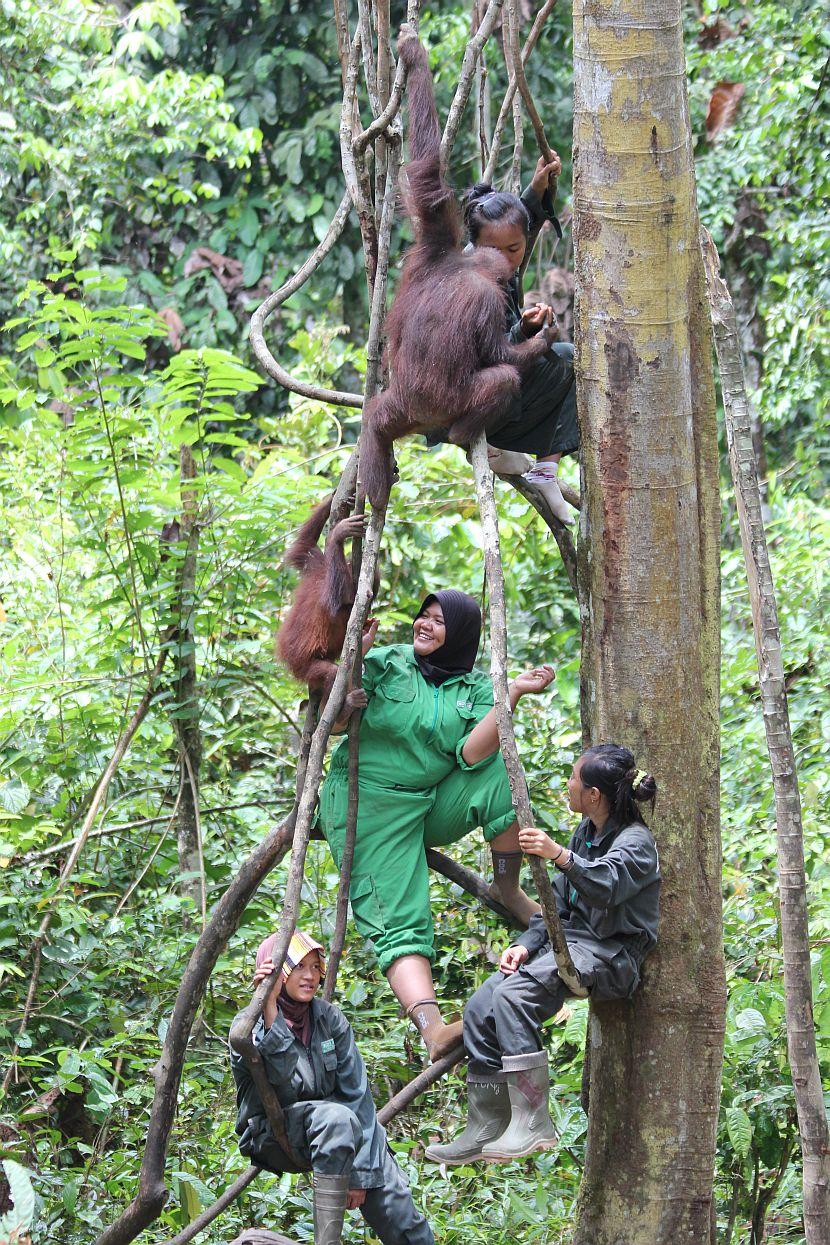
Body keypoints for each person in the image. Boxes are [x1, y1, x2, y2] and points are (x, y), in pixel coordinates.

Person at [317, 588, 556, 1062]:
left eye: (439, 621)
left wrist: (512, 694)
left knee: (501, 767)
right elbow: (335, 723)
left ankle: (508, 889)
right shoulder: (387, 662)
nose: (424, 625)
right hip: (369, 804)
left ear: (461, 635)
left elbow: (472, 754)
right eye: (422, 616)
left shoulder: (473, 686)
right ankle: (432, 1028)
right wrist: (354, 657)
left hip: (428, 804)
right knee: (400, 916)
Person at [425, 744, 660, 1165]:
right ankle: (486, 1124)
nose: (568, 785)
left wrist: (559, 856)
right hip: (568, 943)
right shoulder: (583, 835)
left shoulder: (636, 842)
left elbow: (606, 888)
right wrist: (524, 945)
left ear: (594, 795)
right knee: (481, 1005)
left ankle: (531, 1122)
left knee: (514, 999)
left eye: (574, 778)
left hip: (611, 954)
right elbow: (557, 909)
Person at [229, 929, 434, 1245]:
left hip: (337, 1133)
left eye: (315, 967)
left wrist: (359, 1173)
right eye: (299, 967)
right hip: (275, 1134)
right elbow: (281, 1083)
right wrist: (269, 1009)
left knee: (390, 1190)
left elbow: (356, 1096)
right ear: (277, 972)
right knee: (337, 1119)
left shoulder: (329, 1018)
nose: (310, 976)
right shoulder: (246, 1027)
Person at [463, 153, 578, 525]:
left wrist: (537, 188)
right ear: (475, 246)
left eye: (515, 250)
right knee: (570, 360)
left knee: (561, 356)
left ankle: (540, 466)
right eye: (496, 252)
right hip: (472, 398)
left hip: (490, 383)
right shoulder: (473, 285)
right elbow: (493, 355)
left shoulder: (490, 252)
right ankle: (536, 461)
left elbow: (514, 228)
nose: (508, 259)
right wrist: (533, 336)